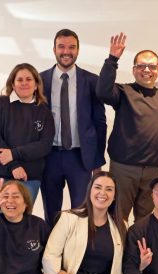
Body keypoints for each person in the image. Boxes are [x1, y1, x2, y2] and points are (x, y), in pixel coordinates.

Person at [96, 32, 158, 223]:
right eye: (141, 66)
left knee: (146, 222)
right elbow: (102, 91)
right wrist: (112, 59)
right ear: (134, 69)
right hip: (124, 168)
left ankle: (138, 246)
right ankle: (117, 245)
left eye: (152, 66)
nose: (146, 70)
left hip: (152, 170)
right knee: (117, 218)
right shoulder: (123, 92)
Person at [40, 28, 107, 227]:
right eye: (61, 47)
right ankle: (52, 247)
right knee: (51, 212)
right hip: (49, 156)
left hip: (80, 158)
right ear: (54, 49)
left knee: (82, 212)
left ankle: (77, 247)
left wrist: (97, 161)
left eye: (71, 47)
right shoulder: (40, 80)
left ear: (78, 50)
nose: (66, 51)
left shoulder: (92, 81)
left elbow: (100, 123)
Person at [0, 63, 55, 203]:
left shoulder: (44, 112)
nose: (24, 83)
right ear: (13, 84)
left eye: (29, 79)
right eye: (19, 80)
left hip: (28, 177)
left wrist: (14, 154)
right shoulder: (0, 104)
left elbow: (44, 145)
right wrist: (13, 165)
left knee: (21, 216)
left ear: (36, 85)